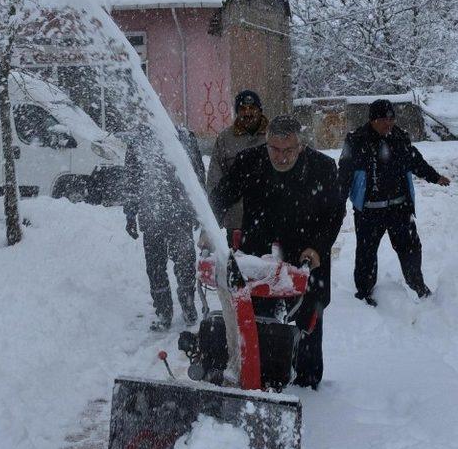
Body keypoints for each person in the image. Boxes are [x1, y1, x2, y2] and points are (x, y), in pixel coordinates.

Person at [209, 115, 345, 389]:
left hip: (307, 254)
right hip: (259, 254)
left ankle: (307, 383)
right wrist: (208, 228)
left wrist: (317, 248)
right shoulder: (251, 161)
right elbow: (221, 196)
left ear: (301, 146)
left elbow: (334, 214)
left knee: (308, 319)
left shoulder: (323, 167)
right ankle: (263, 377)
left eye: (288, 150)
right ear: (267, 142)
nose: (280, 157)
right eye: (274, 149)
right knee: (258, 316)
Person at [338, 99, 451, 307]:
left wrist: (435, 177)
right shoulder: (356, 140)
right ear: (372, 120)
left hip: (399, 208)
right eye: (383, 119)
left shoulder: (400, 138)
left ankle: (417, 284)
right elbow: (344, 174)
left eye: (391, 119)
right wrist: (339, 204)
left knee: (410, 248)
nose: (388, 123)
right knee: (366, 253)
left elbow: (415, 161)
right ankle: (364, 292)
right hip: (369, 211)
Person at [124, 123, 206, 331]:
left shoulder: (185, 136)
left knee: (186, 262)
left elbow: (197, 174)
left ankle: (188, 303)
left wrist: (199, 208)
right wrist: (130, 214)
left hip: (181, 215)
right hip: (151, 215)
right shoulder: (138, 140)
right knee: (155, 267)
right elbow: (132, 179)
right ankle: (163, 311)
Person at [206, 89, 268, 239]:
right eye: (243, 109)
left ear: (260, 110)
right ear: (237, 112)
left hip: (270, 220)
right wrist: (214, 216)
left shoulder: (272, 136)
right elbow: (215, 179)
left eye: (252, 108)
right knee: (238, 262)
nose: (248, 113)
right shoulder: (225, 139)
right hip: (236, 223)